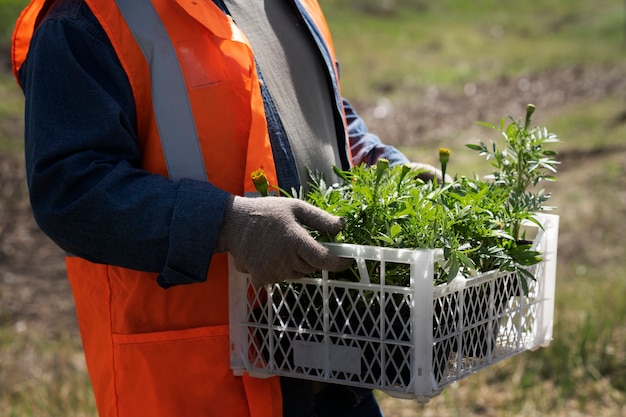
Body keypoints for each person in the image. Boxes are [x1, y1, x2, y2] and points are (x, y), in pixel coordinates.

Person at [11, 0, 442, 416]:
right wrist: (229, 224)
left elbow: (319, 108)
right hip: (208, 383)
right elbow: (70, 189)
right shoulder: (86, 17)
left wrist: (379, 163)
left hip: (338, 362)